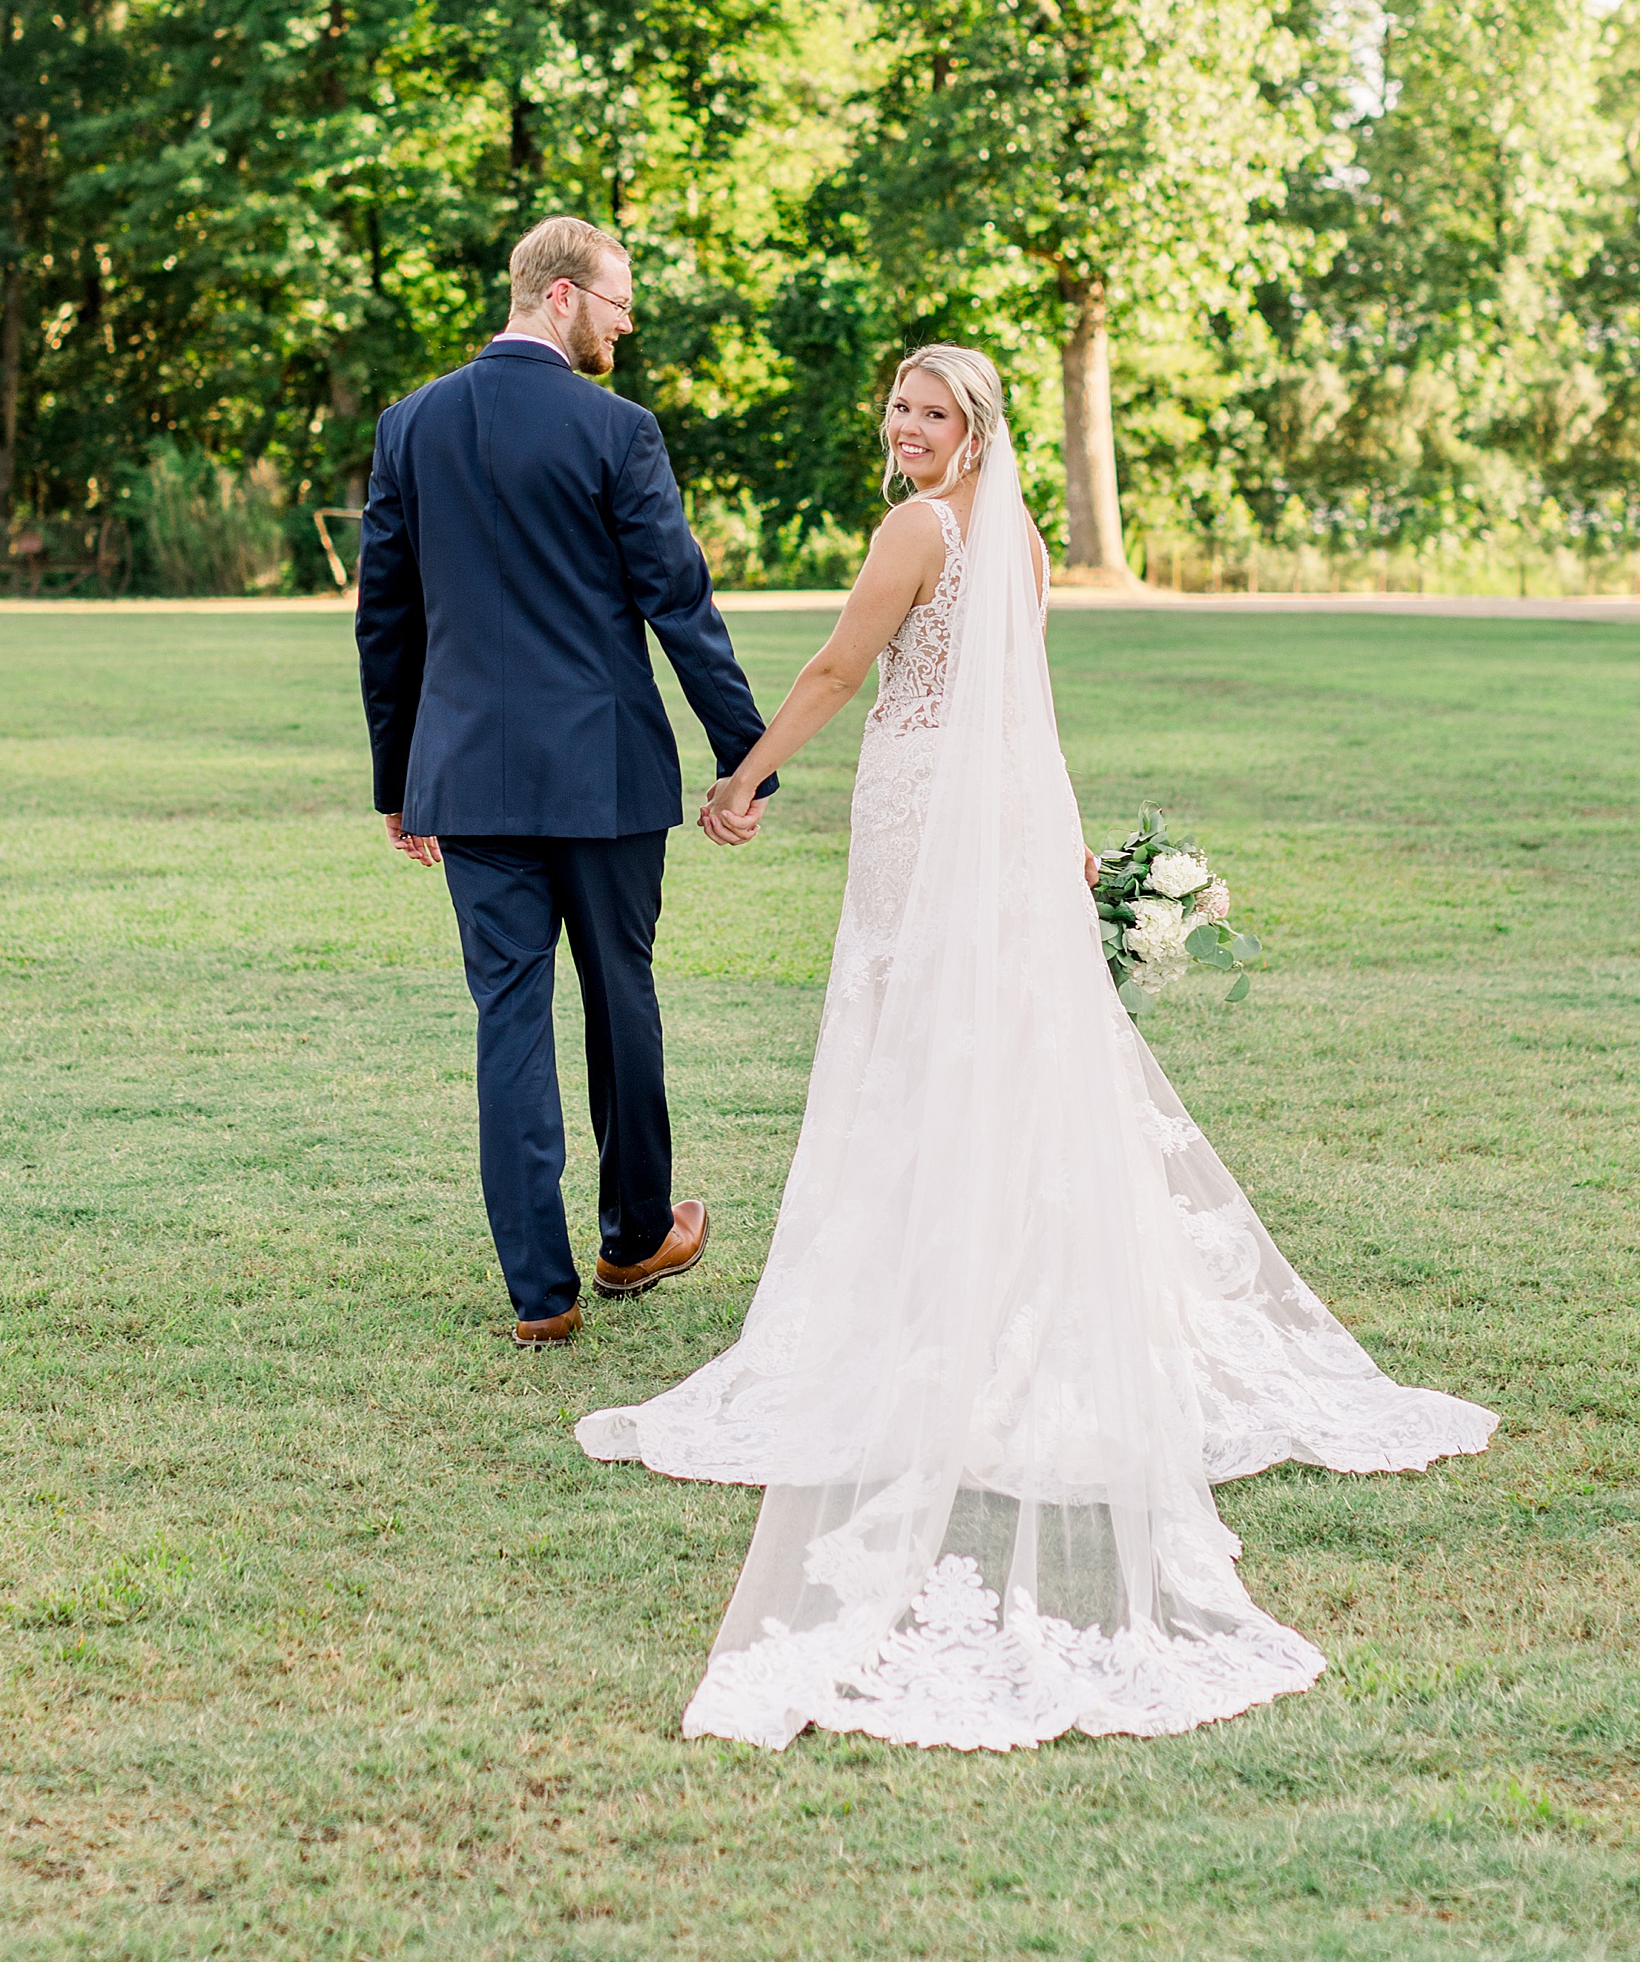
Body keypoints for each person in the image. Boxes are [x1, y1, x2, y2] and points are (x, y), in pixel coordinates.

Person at [578, 344, 1496, 1751]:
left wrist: (746, 774)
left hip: (929, 802)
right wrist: (1056, 827)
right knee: (985, 1037)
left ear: (973, 430)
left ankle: (943, 1300)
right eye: (893, 404)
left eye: (930, 410)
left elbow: (838, 664)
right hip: (992, 805)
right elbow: (1032, 697)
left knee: (920, 1036)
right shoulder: (1016, 533)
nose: (903, 425)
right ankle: (993, 1269)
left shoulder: (922, 527)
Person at [355, 215, 773, 1353]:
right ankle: (638, 1233)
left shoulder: (410, 426)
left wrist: (399, 779)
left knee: (508, 1022)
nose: (627, 323)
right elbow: (678, 602)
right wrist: (748, 750)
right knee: (618, 998)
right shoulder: (617, 430)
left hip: (469, 780)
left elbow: (384, 620)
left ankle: (542, 1293)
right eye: (619, 301)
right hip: (604, 775)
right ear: (558, 297)